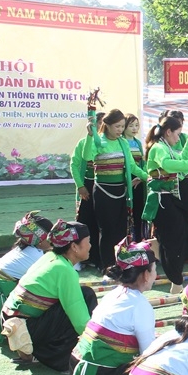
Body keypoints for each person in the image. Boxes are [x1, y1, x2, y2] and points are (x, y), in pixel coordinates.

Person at [68, 237, 158, 375]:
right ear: (145, 275)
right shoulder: (140, 306)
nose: (156, 274)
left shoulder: (114, 294)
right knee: (155, 366)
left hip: (77, 365)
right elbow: (147, 353)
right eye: (154, 269)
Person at [0, 220, 98, 371]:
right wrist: (100, 344)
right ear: (74, 247)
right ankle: (59, 359)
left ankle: (40, 351)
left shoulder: (49, 257)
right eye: (88, 242)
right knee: (86, 297)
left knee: (83, 294)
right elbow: (80, 322)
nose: (91, 246)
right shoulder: (64, 270)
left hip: (10, 319)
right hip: (26, 327)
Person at [143, 117, 188, 294]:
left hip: (169, 199)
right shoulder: (158, 148)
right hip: (161, 200)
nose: (179, 138)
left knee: (180, 233)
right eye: (178, 134)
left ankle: (171, 274)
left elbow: (181, 164)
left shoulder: (166, 147)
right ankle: (175, 280)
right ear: (168, 132)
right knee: (173, 239)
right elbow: (170, 166)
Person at [82, 109, 149, 271]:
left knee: (120, 230)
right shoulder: (99, 142)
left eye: (121, 126)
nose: (120, 130)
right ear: (107, 125)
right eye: (117, 126)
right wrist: (90, 136)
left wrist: (148, 177)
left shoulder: (122, 142)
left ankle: (121, 264)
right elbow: (86, 156)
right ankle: (107, 266)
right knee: (107, 231)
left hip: (121, 192)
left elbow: (132, 166)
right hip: (104, 192)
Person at [0, 211, 54, 345]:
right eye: (50, 236)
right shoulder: (35, 257)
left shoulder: (24, 250)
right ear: (40, 239)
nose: (53, 240)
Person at [165, 110, 188, 265]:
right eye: (174, 121)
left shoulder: (186, 138)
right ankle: (171, 255)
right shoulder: (162, 143)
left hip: (185, 181)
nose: (178, 125)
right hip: (170, 183)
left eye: (180, 121)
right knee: (173, 219)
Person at [71, 111, 104, 269]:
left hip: (105, 186)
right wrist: (81, 186)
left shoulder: (112, 144)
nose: (100, 127)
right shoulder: (83, 143)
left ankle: (99, 259)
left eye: (104, 124)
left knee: (102, 223)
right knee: (85, 222)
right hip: (87, 186)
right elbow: (74, 165)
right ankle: (80, 258)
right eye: (98, 123)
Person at [123, 113, 148, 241]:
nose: (134, 128)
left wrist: (140, 178)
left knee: (139, 210)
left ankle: (138, 239)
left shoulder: (138, 143)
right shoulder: (120, 142)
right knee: (127, 212)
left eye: (136, 125)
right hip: (125, 179)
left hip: (138, 180)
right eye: (131, 125)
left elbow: (144, 163)